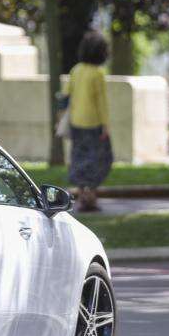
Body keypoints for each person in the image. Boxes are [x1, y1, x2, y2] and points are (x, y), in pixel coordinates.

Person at [65, 31, 113, 212]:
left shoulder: (75, 70)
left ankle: (81, 194)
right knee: (99, 159)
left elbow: (66, 95)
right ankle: (91, 196)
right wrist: (105, 125)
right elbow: (101, 102)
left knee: (79, 158)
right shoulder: (98, 73)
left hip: (76, 122)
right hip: (94, 123)